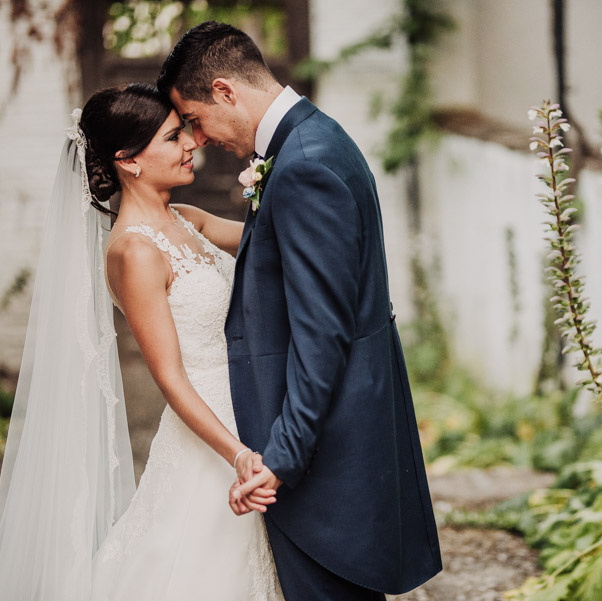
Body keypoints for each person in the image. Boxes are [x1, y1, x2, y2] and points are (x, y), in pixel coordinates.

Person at [157, 21, 442, 600]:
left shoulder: (303, 165)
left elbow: (321, 333)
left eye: (194, 118)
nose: (199, 137)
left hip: (328, 449)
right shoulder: (312, 141)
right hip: (344, 431)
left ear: (226, 91)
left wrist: (282, 459)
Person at [0, 83, 282, 600]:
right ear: (129, 162)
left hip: (250, 408)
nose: (190, 144)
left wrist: (281, 178)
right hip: (210, 436)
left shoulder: (189, 219)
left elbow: (272, 236)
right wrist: (238, 455)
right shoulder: (133, 253)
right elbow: (169, 376)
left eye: (184, 130)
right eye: (172, 136)